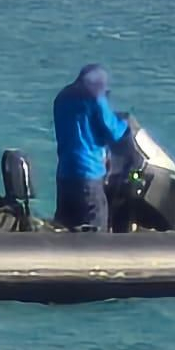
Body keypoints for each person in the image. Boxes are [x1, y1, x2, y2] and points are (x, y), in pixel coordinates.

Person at [52, 63, 130, 230]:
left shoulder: (62, 97)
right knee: (95, 228)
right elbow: (113, 131)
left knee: (64, 228)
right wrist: (125, 125)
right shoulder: (95, 97)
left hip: (64, 174)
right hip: (89, 174)